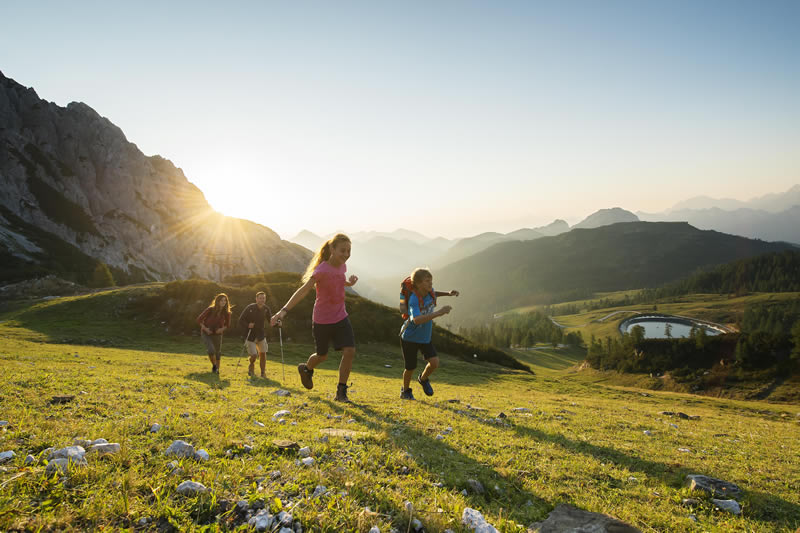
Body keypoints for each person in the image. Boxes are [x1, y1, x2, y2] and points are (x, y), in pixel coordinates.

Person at [271, 233, 358, 402]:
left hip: (341, 316)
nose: (346, 255)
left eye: (349, 251)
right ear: (332, 249)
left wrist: (349, 283)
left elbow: (339, 280)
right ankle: (306, 369)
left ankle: (341, 391)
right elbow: (304, 290)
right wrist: (283, 311)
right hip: (322, 320)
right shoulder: (321, 270)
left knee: (350, 351)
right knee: (322, 355)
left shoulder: (342, 266)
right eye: (342, 250)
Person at [399, 268, 459, 400]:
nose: (431, 283)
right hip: (410, 337)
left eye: (431, 280)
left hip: (424, 337)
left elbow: (434, 292)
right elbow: (416, 319)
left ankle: (423, 378)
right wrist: (439, 313)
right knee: (410, 367)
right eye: (427, 281)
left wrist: (448, 293)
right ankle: (406, 390)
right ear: (419, 284)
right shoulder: (414, 299)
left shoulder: (430, 292)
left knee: (434, 362)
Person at [238, 291, 271, 378]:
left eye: (263, 298)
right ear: (256, 299)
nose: (262, 300)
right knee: (254, 355)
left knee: (263, 354)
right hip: (250, 335)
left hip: (261, 335)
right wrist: (248, 325)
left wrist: (277, 323)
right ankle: (251, 366)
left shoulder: (266, 309)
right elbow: (241, 320)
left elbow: (270, 321)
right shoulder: (250, 307)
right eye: (260, 298)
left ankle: (263, 373)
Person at [196, 293, 231, 374]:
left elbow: (228, 325)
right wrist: (205, 328)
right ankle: (215, 366)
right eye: (221, 300)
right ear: (217, 301)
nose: (223, 302)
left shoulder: (227, 313)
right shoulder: (210, 309)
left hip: (218, 334)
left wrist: (222, 329)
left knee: (218, 352)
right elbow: (199, 319)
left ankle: (217, 370)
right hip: (206, 333)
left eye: (225, 301)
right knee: (211, 350)